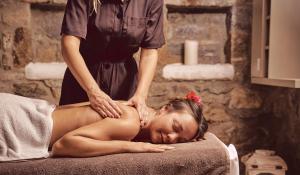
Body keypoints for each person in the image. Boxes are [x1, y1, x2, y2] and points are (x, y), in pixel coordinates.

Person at [0, 92, 208, 161]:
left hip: (24, 109)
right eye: (175, 127)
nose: (172, 137)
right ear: (165, 109)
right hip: (18, 122)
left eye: (179, 140)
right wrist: (131, 146)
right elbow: (63, 145)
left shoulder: (129, 108)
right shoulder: (131, 124)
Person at [59, 0, 165, 126]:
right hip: (83, 83)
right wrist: (93, 92)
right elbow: (69, 45)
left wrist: (141, 95)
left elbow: (149, 52)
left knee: (118, 138)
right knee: (72, 137)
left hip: (125, 86)